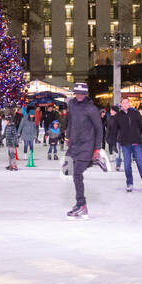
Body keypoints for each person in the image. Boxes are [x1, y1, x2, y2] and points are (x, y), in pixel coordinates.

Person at [63, 83, 104, 219]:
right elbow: (70, 122)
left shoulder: (91, 109)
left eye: (82, 94)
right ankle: (92, 162)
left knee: (77, 174)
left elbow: (99, 129)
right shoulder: (72, 105)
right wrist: (68, 136)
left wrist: (97, 149)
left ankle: (81, 206)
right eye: (77, 93)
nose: (79, 96)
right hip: (74, 145)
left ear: (86, 94)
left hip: (87, 145)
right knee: (66, 170)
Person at [116, 97, 142, 193]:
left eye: (127, 102)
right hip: (125, 144)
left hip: (136, 143)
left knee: (140, 163)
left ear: (129, 104)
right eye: (123, 103)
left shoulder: (135, 114)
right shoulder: (119, 115)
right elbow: (115, 129)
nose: (125, 104)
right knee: (127, 165)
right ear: (121, 105)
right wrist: (114, 141)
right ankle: (129, 183)